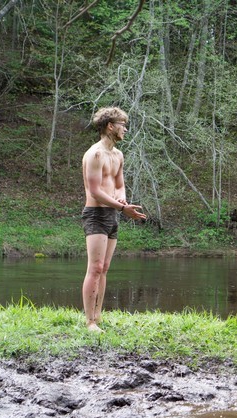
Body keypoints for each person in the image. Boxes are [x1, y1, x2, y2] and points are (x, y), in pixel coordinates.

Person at [81, 106, 146, 332]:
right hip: (95, 215)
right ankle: (90, 321)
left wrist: (122, 200)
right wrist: (122, 208)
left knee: (105, 267)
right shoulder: (95, 154)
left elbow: (119, 184)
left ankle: (98, 316)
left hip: (112, 214)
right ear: (110, 126)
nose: (125, 129)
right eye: (122, 125)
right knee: (95, 267)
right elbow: (95, 192)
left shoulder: (118, 155)